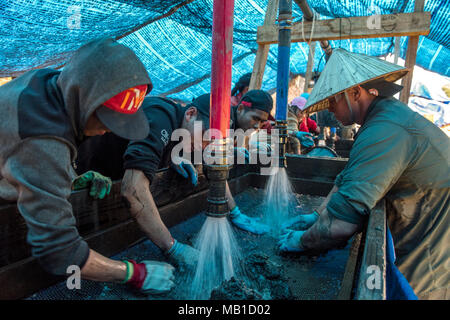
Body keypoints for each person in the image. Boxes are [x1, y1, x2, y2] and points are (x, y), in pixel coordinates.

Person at [0, 38, 175, 294]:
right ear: (84, 98)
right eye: (105, 119)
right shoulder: (42, 140)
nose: (107, 131)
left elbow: (16, 156)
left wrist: (69, 177)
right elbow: (59, 251)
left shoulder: (49, 83)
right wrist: (133, 273)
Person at [277, 48, 449, 300]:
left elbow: (339, 226)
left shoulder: (385, 129)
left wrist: (301, 241)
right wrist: (316, 215)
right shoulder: (382, 119)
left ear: (355, 93)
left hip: (431, 251)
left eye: (333, 100)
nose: (330, 109)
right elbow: (346, 178)